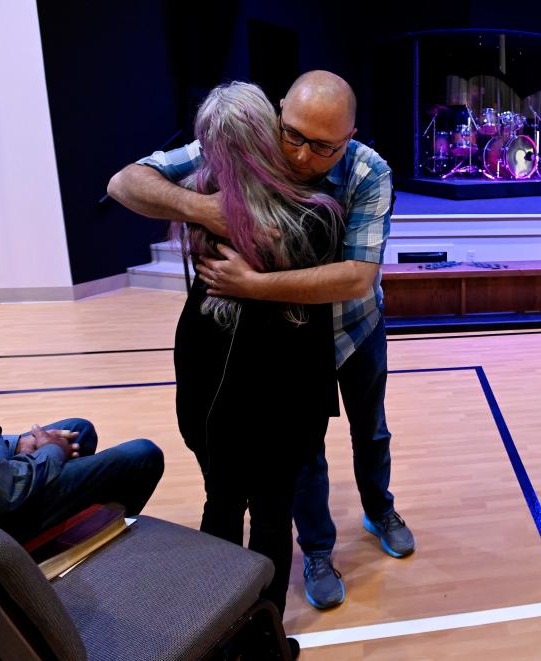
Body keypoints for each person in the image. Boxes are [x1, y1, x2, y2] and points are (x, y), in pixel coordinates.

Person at [108, 70, 414, 612]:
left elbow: (355, 277)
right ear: (278, 113)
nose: (299, 157)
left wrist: (253, 285)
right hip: (291, 347)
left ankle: (380, 507)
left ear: (350, 135)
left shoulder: (369, 172)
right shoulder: (252, 138)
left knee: (370, 430)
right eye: (292, 135)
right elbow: (125, 182)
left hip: (353, 327)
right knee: (304, 455)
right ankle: (317, 551)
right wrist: (209, 209)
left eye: (323, 147)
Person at [167, 81, 342, 635]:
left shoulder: (196, 201)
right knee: (270, 514)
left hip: (212, 380)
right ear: (268, 134)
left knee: (221, 501)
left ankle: (217, 627)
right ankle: (264, 630)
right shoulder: (315, 214)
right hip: (279, 386)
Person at [0, 219, 164, 543]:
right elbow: (0, 492)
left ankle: (69, 537)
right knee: (140, 456)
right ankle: (64, 559)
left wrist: (18, 444)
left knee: (78, 429)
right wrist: (49, 453)